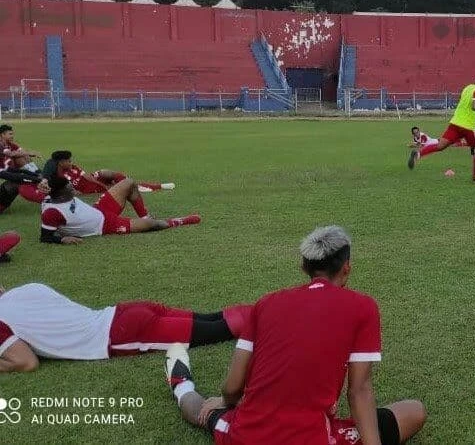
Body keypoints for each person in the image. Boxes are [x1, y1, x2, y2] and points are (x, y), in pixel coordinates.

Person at [163, 225, 426, 444]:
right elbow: (359, 391)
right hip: (311, 438)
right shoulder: (363, 307)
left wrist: (224, 401)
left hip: (245, 436)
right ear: (346, 268)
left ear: (304, 267)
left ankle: (180, 382)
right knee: (414, 411)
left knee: (201, 410)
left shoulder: (266, 303)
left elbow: (232, 387)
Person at [0, 282, 251, 373]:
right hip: (125, 311)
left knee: (221, 330)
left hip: (120, 334)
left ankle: (278, 315)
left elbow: (26, 362)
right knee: (212, 319)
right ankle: (270, 307)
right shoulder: (27, 289)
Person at [40, 175, 199, 245]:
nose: (72, 187)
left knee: (128, 182)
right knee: (153, 225)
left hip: (99, 209)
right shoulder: (51, 211)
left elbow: (47, 182)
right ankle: (181, 221)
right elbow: (45, 237)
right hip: (105, 225)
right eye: (69, 187)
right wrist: (62, 239)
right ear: (60, 193)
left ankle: (144, 216)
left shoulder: (54, 195)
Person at [408, 70, 475, 181]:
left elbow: (462, 102)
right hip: (467, 126)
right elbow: (474, 106)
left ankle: (418, 154)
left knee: (440, 146)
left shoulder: (468, 88)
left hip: (455, 123)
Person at [42, 150, 174, 195]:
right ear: (61, 162)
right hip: (88, 188)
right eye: (68, 161)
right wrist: (103, 187)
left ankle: (133, 184)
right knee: (123, 187)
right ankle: (158, 186)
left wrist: (101, 183)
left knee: (106, 172)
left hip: (92, 180)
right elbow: (71, 191)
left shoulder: (73, 167)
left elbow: (87, 176)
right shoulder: (58, 176)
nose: (71, 163)